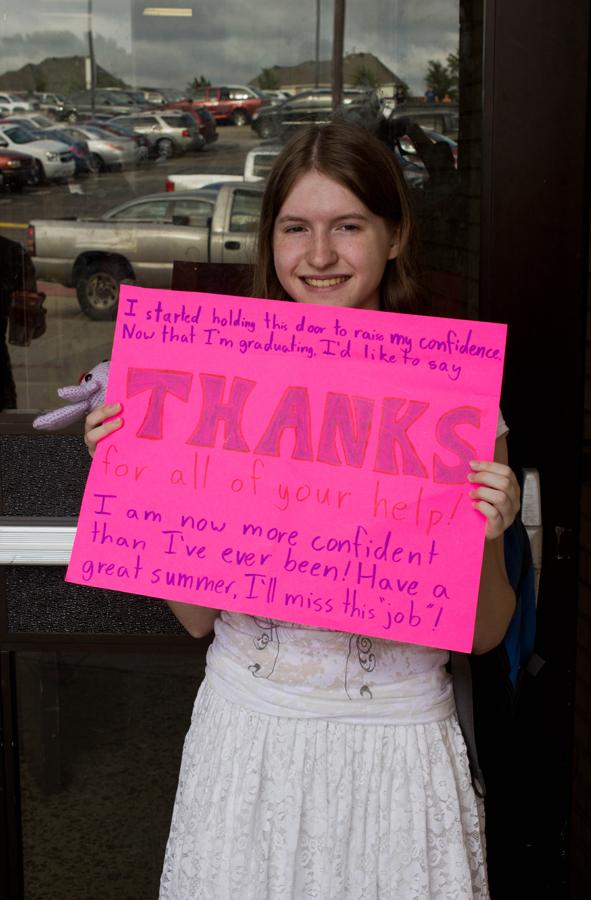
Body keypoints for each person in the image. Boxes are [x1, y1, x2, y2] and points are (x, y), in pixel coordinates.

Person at [84, 122, 520, 899]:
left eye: (348, 226)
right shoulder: (220, 381)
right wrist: (138, 478)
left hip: (398, 753)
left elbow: (486, 633)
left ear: (395, 237)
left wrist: (488, 534)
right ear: (271, 240)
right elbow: (194, 620)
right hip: (248, 744)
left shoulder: (456, 404)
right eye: (297, 228)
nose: (319, 256)